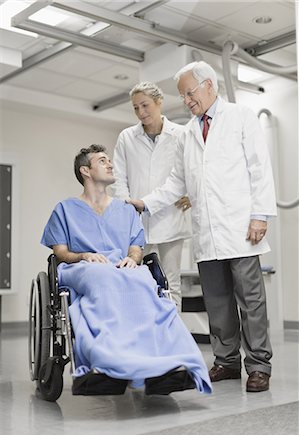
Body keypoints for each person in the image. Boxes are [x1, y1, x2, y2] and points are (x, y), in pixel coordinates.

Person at [128, 62, 277, 393]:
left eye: (189, 92)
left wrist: (260, 215)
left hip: (240, 227)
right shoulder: (188, 133)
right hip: (207, 232)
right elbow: (176, 182)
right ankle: (226, 361)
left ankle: (258, 366)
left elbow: (259, 168)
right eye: (182, 95)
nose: (186, 100)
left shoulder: (240, 117)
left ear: (210, 86)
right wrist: (145, 202)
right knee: (218, 299)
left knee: (250, 300)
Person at [41, 144, 212, 396]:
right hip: (82, 268)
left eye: (110, 160)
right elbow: (61, 252)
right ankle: (107, 361)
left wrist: (133, 259)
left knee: (142, 279)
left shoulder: (125, 209)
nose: (110, 164)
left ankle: (165, 364)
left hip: (121, 268)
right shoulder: (65, 209)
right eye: (102, 161)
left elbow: (135, 247)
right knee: (102, 278)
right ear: (85, 171)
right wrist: (84, 255)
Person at [112, 81, 191, 312]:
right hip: (136, 220)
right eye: (136, 108)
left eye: (145, 105)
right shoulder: (127, 137)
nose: (141, 112)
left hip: (171, 217)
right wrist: (125, 206)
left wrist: (191, 195)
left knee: (171, 282)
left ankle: (173, 337)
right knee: (136, 280)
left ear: (159, 102)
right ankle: (144, 334)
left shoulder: (181, 134)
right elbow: (119, 177)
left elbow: (192, 172)